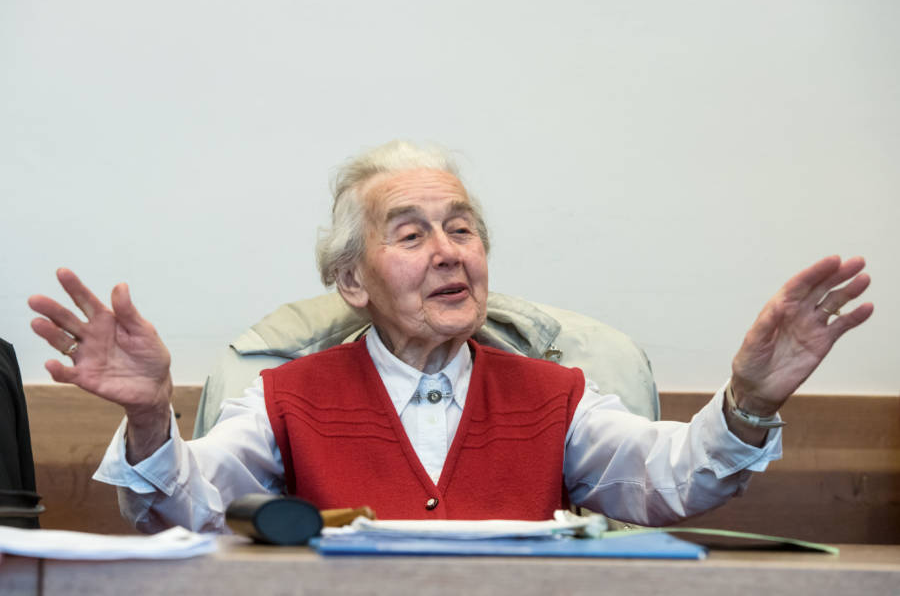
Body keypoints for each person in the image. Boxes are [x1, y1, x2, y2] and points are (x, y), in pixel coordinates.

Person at [28, 141, 873, 533]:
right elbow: (185, 506)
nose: (447, 252)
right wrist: (148, 416)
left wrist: (752, 399)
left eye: (461, 229)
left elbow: (675, 481)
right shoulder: (289, 394)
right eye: (410, 233)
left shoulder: (557, 392)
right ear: (353, 282)